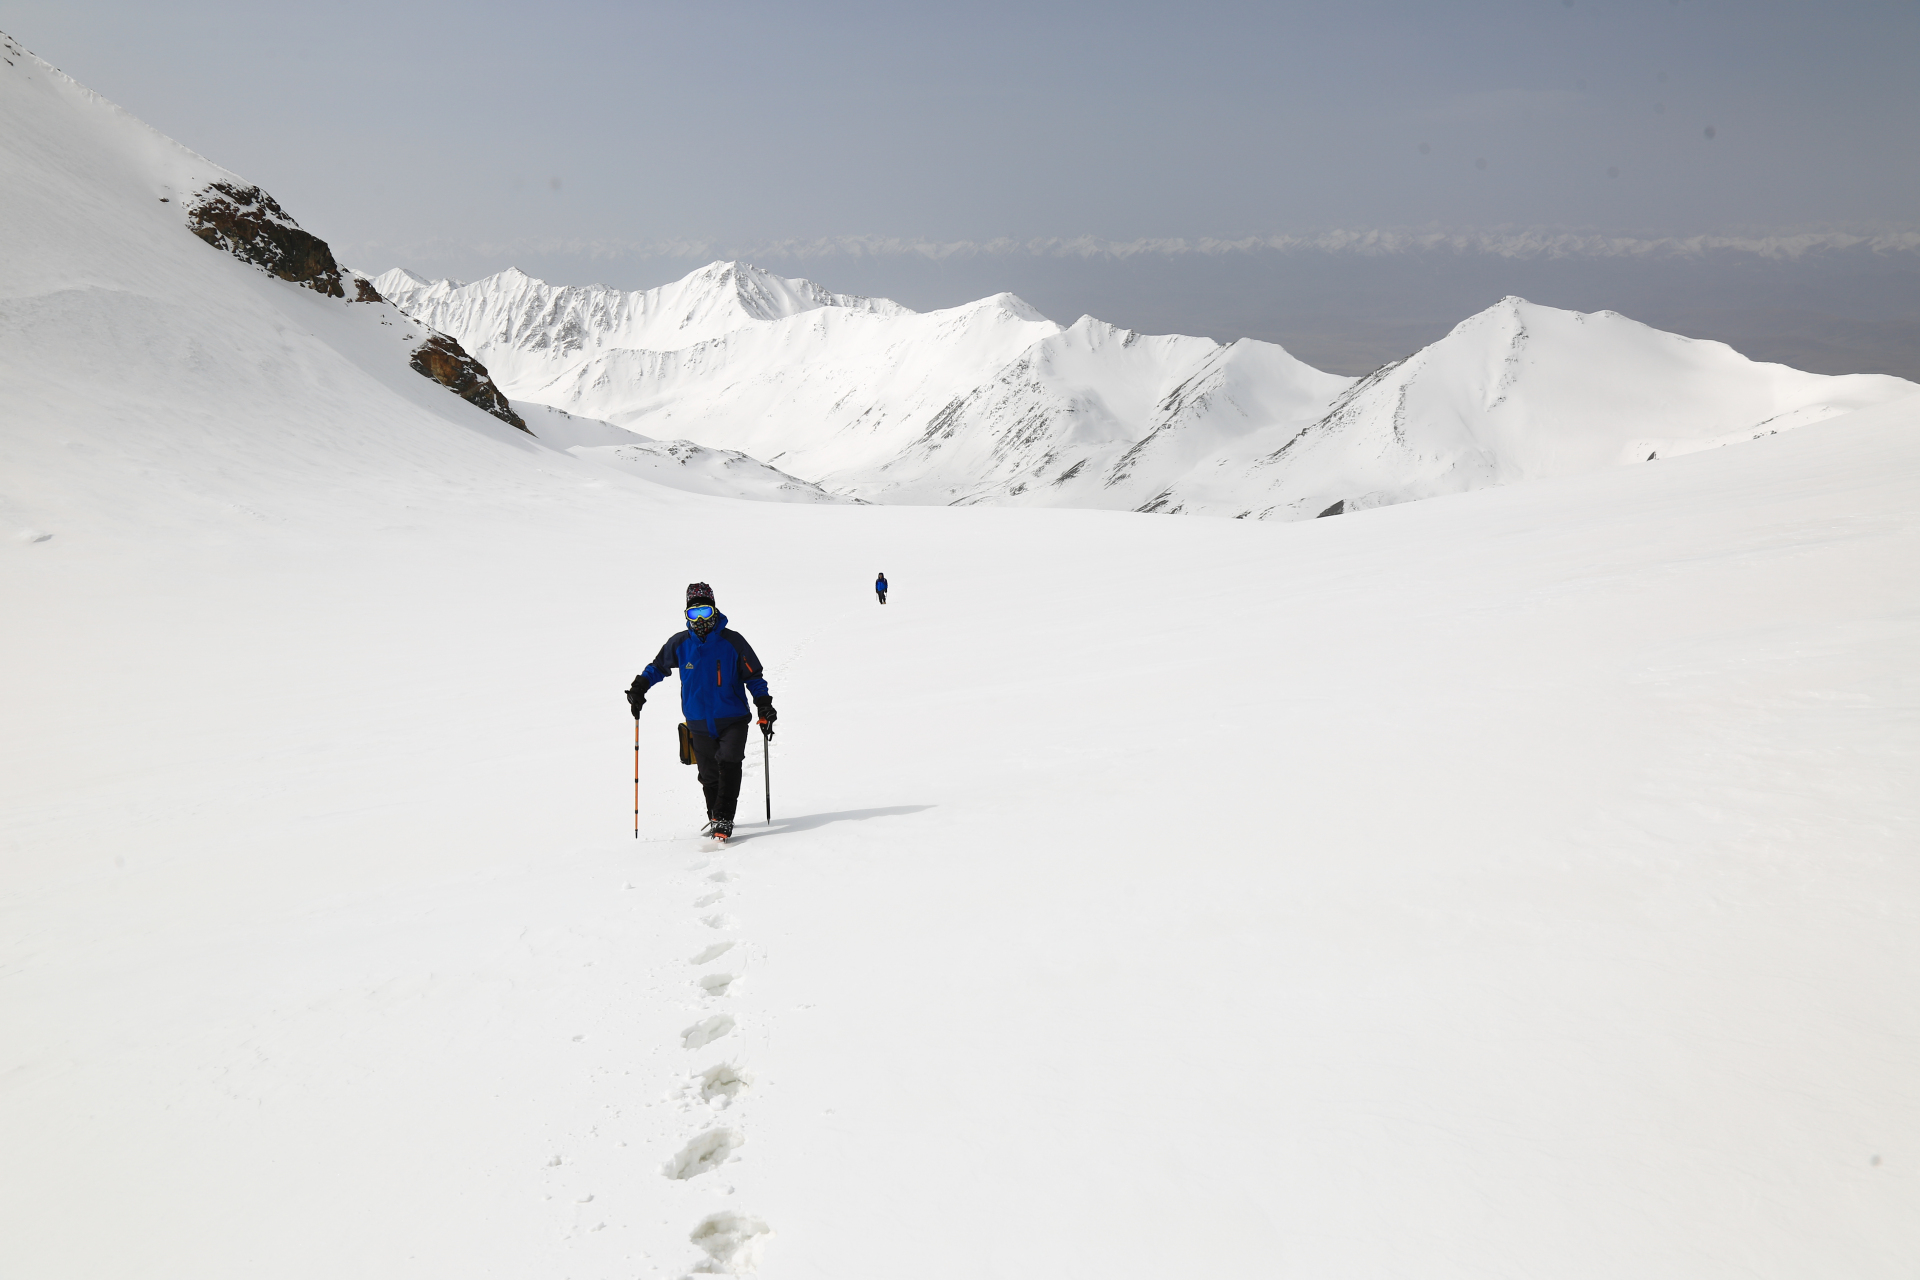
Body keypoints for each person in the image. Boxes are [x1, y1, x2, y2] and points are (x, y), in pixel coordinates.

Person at [626, 583, 777, 841]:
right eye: (693, 614)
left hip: (732, 719)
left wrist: (763, 703)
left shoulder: (733, 642)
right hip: (697, 721)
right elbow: (657, 667)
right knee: (708, 775)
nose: (700, 620)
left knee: (729, 762)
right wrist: (640, 686)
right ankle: (714, 816)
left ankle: (723, 818)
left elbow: (754, 676)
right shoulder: (681, 643)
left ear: (714, 610)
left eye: (705, 612)